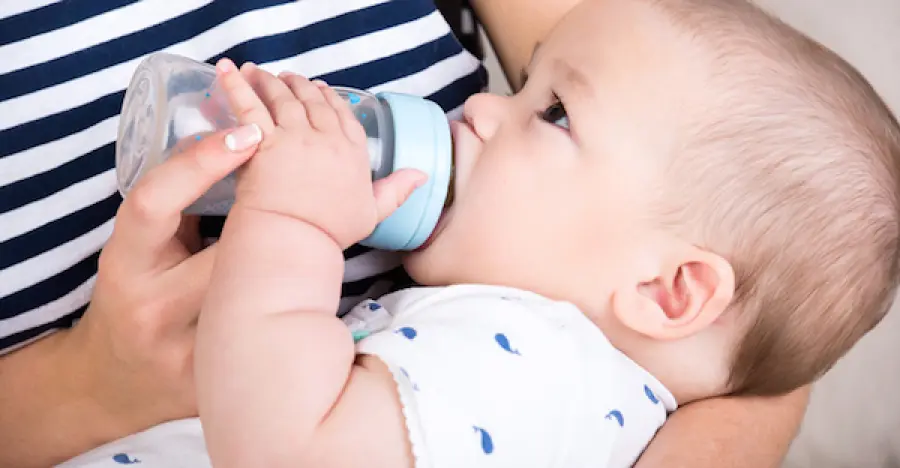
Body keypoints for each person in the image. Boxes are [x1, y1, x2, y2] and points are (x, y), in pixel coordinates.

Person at [73, 0, 900, 466]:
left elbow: (289, 452)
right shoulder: (539, 363)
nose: (479, 105)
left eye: (555, 111)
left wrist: (290, 222)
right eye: (527, 78)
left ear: (668, 290)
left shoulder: (537, 370)